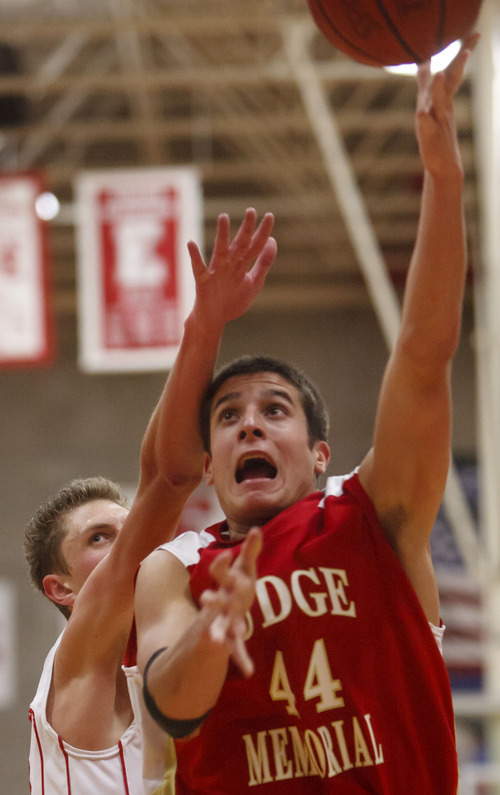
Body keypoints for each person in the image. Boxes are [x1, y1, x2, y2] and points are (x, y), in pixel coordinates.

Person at [134, 33, 480, 795]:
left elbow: (423, 359)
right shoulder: (177, 568)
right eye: (227, 416)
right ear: (213, 458)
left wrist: (444, 180)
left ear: (320, 454)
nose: (248, 423)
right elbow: (173, 705)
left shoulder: (372, 515)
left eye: (274, 409)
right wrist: (211, 633)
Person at [24, 207, 277, 795]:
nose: (131, 544)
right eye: (99, 538)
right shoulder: (80, 658)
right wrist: (205, 325)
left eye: (128, 528)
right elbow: (169, 477)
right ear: (61, 589)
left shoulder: (174, 664)